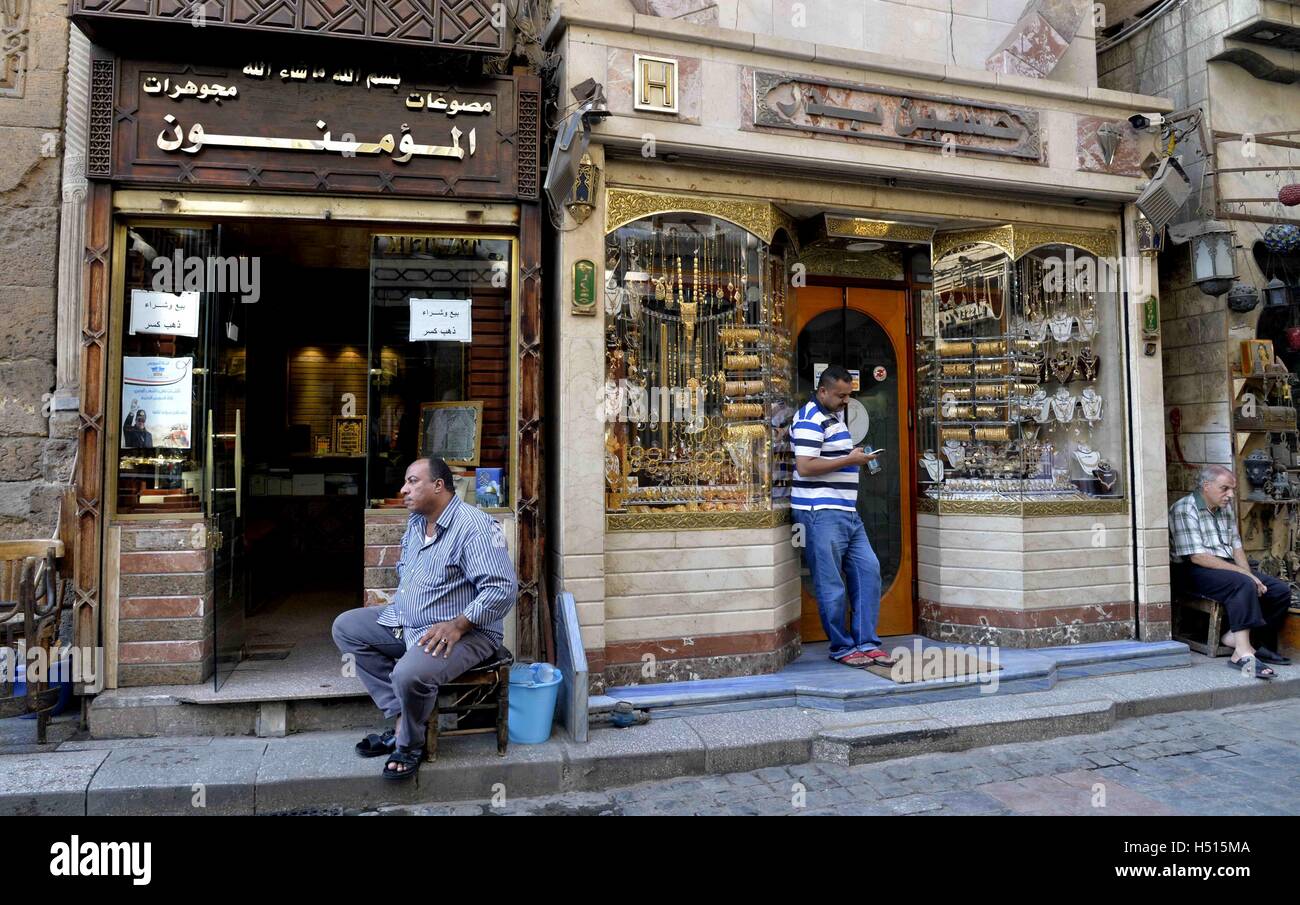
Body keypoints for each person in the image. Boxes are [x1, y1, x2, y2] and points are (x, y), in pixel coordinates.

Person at [332, 456, 517, 780]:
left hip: (468, 633)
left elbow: (501, 589)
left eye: (412, 481)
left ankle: (409, 744)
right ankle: (402, 715)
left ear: (439, 485)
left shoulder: (474, 527)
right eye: (406, 481)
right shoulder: (417, 523)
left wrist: (458, 625)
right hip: (409, 624)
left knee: (408, 674)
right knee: (347, 628)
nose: (403, 489)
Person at [791, 365, 896, 669]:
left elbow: (829, 459)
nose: (845, 401)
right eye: (840, 395)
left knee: (868, 570)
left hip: (846, 511)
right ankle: (841, 646)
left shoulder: (832, 416)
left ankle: (866, 642)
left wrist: (854, 457)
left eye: (848, 395)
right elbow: (806, 466)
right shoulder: (811, 418)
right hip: (820, 512)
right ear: (822, 391)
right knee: (830, 582)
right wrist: (850, 458)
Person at [1169, 464, 1293, 679]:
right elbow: (1198, 556)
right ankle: (1241, 653)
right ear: (1206, 486)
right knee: (1241, 583)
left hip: (1225, 566)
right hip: (1192, 569)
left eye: (1232, 489)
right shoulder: (1184, 509)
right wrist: (1246, 577)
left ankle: (1249, 641)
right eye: (1225, 488)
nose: (1230, 495)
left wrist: (1252, 575)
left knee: (1279, 590)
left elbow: (1237, 548)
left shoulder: (1224, 508)